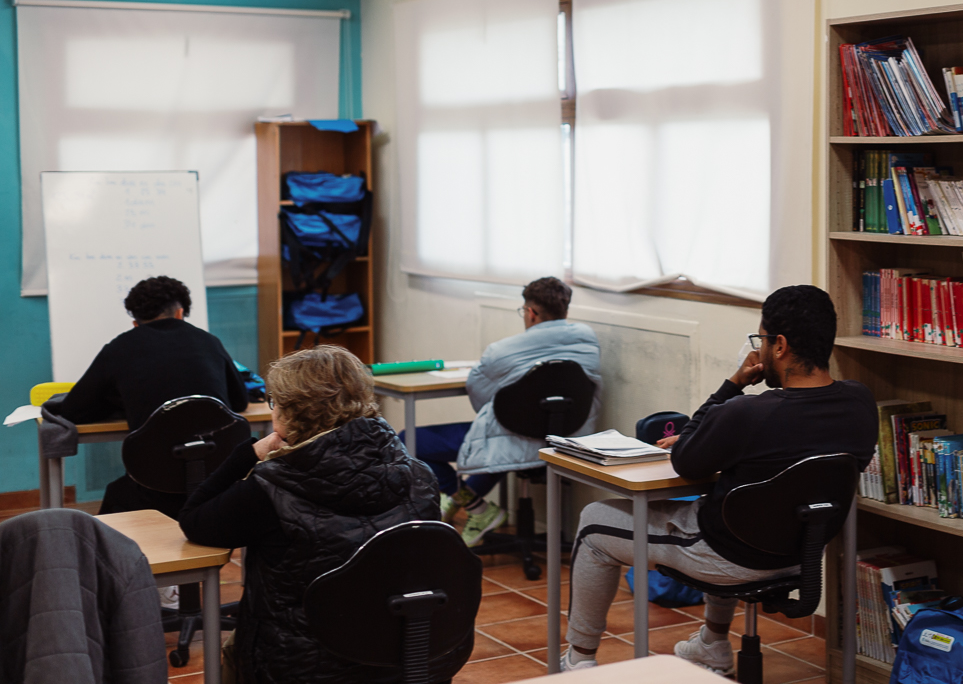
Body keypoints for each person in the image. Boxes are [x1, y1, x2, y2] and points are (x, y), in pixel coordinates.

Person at [560, 285, 877, 673]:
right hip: (803, 556)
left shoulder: (746, 412)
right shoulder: (861, 402)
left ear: (779, 345)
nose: (758, 350)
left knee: (595, 522)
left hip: (729, 558)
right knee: (724, 508)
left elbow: (685, 460)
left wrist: (733, 384)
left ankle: (578, 661)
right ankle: (712, 642)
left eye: (761, 340)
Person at [179, 344, 442, 684]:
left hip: (303, 665)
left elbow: (194, 519)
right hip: (404, 652)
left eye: (276, 404)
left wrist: (247, 454)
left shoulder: (270, 488)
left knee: (231, 652)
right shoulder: (420, 476)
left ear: (290, 414)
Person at [410, 276, 601, 547]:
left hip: (513, 437)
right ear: (565, 309)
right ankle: (461, 506)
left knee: (408, 439)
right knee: (505, 435)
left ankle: (476, 508)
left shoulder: (500, 351)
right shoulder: (588, 341)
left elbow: (480, 396)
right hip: (567, 438)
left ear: (531, 312)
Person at [56, 275, 248, 517]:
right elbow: (239, 402)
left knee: (117, 495)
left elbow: (73, 410)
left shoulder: (119, 348)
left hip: (153, 483)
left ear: (135, 323)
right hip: (220, 478)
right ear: (180, 313)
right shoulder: (209, 341)